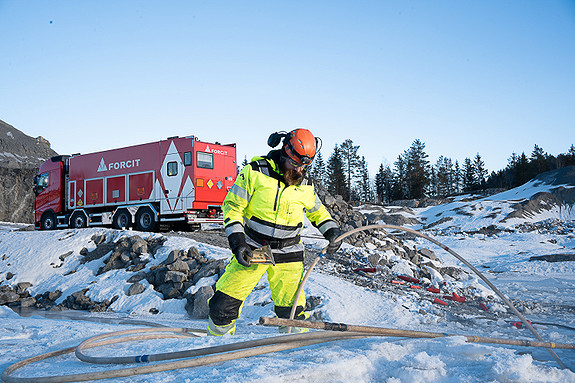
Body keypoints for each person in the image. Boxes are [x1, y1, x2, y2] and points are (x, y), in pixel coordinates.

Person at [207, 128, 343, 336]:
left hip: (289, 253)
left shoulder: (306, 184)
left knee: (293, 314)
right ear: (284, 152)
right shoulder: (255, 173)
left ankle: (293, 354)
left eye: (304, 165)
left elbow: (318, 212)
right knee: (223, 306)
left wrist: (332, 231)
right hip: (256, 248)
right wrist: (238, 242)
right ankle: (218, 345)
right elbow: (232, 207)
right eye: (295, 164)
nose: (299, 170)